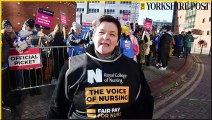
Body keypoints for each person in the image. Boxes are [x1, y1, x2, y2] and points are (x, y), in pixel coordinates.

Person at [47, 15, 154, 119]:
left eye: (112, 34)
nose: (106, 37)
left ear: (117, 41)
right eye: (101, 32)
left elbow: (145, 105)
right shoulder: (72, 66)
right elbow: (57, 109)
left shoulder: (132, 68)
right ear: (93, 36)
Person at [2, 20, 20, 119]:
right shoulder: (3, 35)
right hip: (8, 62)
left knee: (9, 85)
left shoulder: (14, 35)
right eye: (6, 26)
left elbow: (6, 48)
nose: (8, 28)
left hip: (8, 63)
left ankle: (14, 106)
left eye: (9, 26)